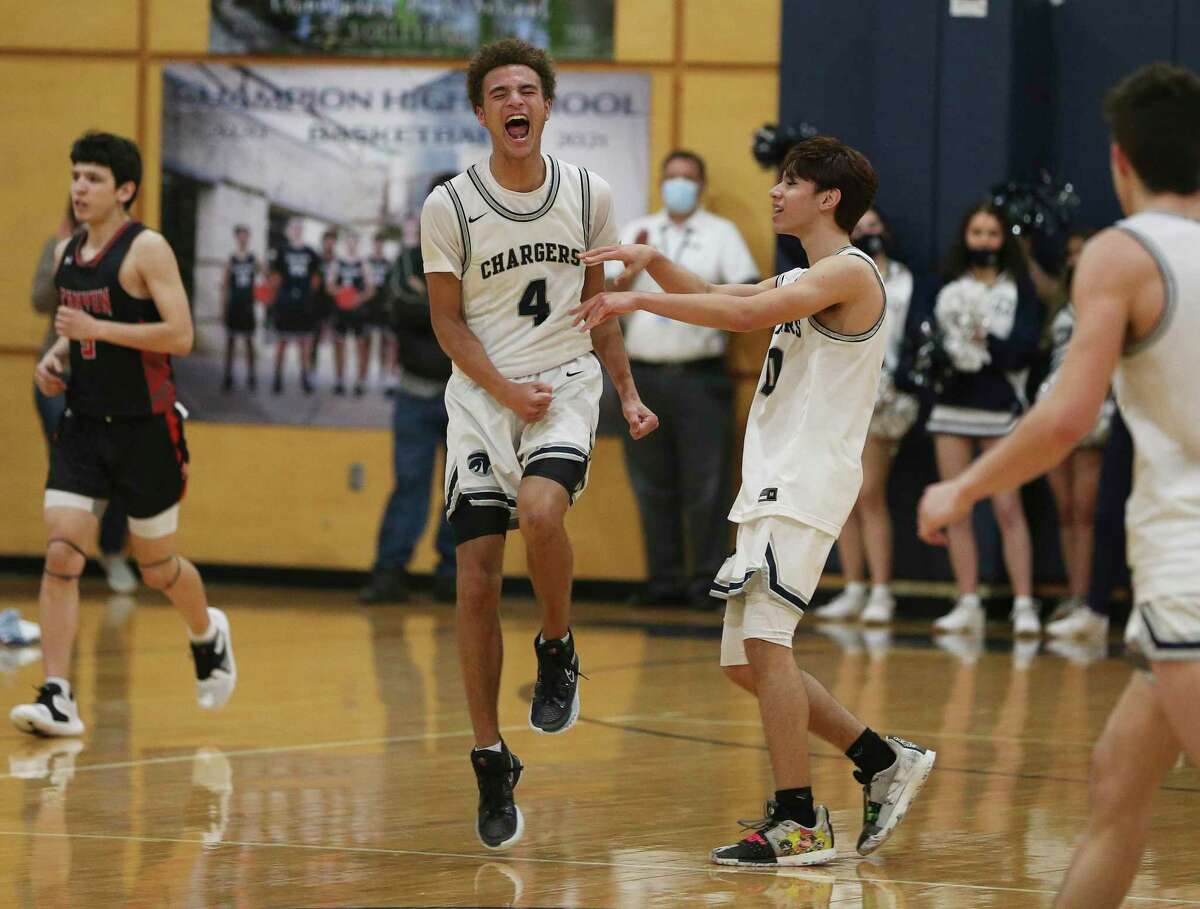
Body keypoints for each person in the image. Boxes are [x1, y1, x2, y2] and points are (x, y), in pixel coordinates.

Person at [578, 135, 935, 868]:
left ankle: (799, 820)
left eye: (791, 182)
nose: (776, 192)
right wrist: (655, 264)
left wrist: (639, 297)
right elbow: (732, 296)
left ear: (828, 197)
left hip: (805, 478)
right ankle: (880, 757)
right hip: (773, 478)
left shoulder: (849, 272)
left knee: (768, 645)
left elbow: (742, 318)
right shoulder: (808, 274)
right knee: (745, 661)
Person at [918, 63, 1200, 908]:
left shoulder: (1124, 251)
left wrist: (961, 491)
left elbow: (1064, 416)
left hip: (1189, 559)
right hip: (1172, 588)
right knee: (1116, 779)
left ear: (1121, 161)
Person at [421, 39, 657, 851]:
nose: (515, 101)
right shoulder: (450, 204)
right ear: (481, 111)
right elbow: (447, 322)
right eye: (499, 92)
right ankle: (490, 755)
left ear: (547, 106)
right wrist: (499, 390)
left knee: (542, 509)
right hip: (485, 397)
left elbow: (599, 305)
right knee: (476, 577)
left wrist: (624, 392)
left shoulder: (588, 193)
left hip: (562, 383)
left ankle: (556, 641)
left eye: (528, 89)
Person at [10, 131, 236, 738]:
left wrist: (97, 330)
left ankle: (206, 632)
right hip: (83, 425)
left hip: (147, 431)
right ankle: (57, 695)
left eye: (93, 179)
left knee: (156, 567)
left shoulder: (147, 250)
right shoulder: (67, 253)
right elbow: (75, 328)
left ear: (125, 190)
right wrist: (57, 359)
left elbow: (181, 335)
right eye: (75, 176)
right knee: (62, 553)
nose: (79, 188)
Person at [606, 150, 759, 608]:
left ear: (702, 185)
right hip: (643, 376)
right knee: (651, 483)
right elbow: (606, 300)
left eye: (688, 179)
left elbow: (745, 294)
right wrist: (624, 280)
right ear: (660, 183)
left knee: (707, 485)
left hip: (701, 377)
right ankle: (664, 580)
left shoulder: (721, 234)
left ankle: (706, 582)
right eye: (671, 178)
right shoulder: (637, 231)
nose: (679, 186)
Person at [924, 201, 1044, 637]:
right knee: (956, 507)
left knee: (1008, 507)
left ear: (1004, 240)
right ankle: (968, 601)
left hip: (999, 405)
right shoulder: (946, 284)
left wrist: (983, 338)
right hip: (953, 404)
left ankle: (1025, 604)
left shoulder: (1019, 288)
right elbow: (930, 343)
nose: (985, 242)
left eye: (992, 234)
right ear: (965, 237)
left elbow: (1024, 348)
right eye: (977, 233)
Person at [815, 208, 919, 624]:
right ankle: (853, 585)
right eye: (860, 228)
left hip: (885, 393)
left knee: (869, 492)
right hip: (843, 391)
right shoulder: (837, 274)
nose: (870, 233)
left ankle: (881, 590)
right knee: (843, 495)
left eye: (876, 226)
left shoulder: (907, 281)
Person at [360, 175, 458, 605]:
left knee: (464, 491)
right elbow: (399, 304)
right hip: (415, 395)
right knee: (409, 486)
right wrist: (451, 309)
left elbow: (483, 317)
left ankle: (452, 577)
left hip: (468, 398)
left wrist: (433, 305)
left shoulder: (483, 261)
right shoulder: (408, 259)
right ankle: (389, 572)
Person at [31, 200, 137, 595]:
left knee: (116, 465)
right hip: (59, 374)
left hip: (111, 377)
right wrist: (62, 259)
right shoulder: (58, 247)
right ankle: (64, 555)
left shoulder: (129, 254)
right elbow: (40, 301)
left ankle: (112, 552)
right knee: (67, 468)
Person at [1038, 227, 1114, 638]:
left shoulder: (1109, 299)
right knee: (1065, 510)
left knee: (1086, 512)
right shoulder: (1059, 301)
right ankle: (1073, 592)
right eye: (1070, 252)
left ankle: (1088, 597)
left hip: (1095, 411)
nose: (1076, 259)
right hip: (1055, 407)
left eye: (1083, 252)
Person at [268, 217, 321, 395]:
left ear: (303, 230)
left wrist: (308, 297)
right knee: (282, 342)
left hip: (303, 305)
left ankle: (304, 377)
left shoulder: (311, 253)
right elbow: (275, 278)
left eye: (300, 227)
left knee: (304, 343)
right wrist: (277, 299)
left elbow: (315, 279)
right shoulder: (282, 251)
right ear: (289, 230)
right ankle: (277, 377)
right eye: (294, 227)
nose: (297, 230)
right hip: (285, 303)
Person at [331, 232, 375, 396]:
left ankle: (360, 381)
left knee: (360, 347)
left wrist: (358, 298)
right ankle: (339, 380)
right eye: (349, 241)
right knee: (339, 345)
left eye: (354, 241)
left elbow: (371, 289)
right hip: (342, 311)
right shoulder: (338, 263)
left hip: (358, 311)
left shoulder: (363, 264)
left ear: (358, 244)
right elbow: (330, 286)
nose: (351, 244)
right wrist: (341, 294)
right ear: (345, 243)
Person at [221, 223, 261, 393]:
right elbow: (225, 285)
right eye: (240, 235)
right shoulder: (231, 259)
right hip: (234, 305)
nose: (243, 238)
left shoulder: (254, 258)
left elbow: (266, 276)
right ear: (236, 237)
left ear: (248, 238)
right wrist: (222, 308)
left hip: (248, 305)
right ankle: (228, 376)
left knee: (249, 341)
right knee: (230, 342)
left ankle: (251, 376)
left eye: (246, 235)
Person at [364, 234, 396, 394]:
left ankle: (383, 376)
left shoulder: (388, 263)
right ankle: (364, 376)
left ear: (383, 245)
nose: (378, 246)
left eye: (380, 243)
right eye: (376, 243)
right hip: (369, 308)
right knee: (367, 343)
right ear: (373, 244)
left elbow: (392, 285)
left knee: (385, 344)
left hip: (383, 308)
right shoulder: (367, 262)